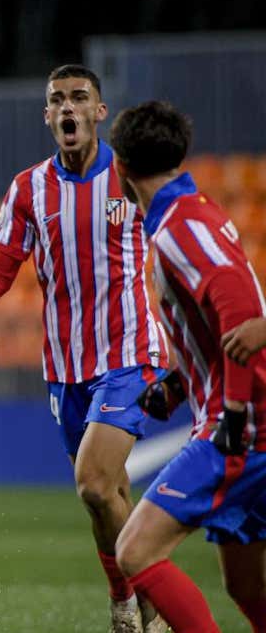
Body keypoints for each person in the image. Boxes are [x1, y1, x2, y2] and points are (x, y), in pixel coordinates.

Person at [0, 64, 172, 632]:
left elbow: (176, 242)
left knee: (95, 482)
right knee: (108, 495)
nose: (68, 108)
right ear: (47, 116)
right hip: (65, 369)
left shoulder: (133, 177)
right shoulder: (28, 188)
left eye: (80, 98)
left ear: (99, 113)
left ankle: (127, 603)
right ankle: (151, 612)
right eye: (57, 100)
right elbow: (1, 270)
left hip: (130, 355)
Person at [111, 100, 266, 633]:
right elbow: (218, 322)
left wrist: (237, 412)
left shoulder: (180, 226)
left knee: (134, 552)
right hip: (239, 419)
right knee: (245, 586)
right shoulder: (193, 213)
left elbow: (241, 310)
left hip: (241, 430)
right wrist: (177, 386)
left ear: (120, 168)